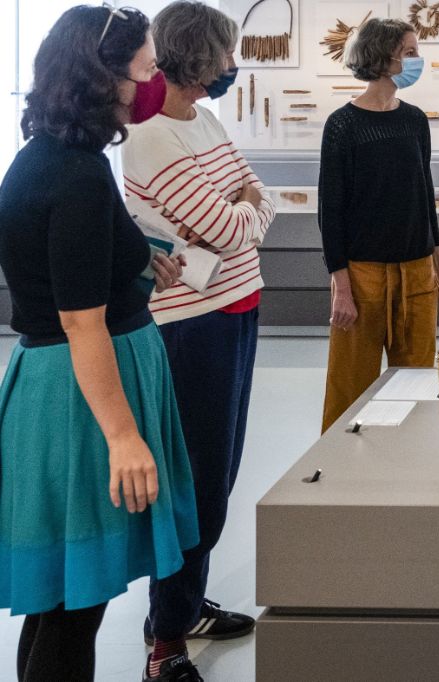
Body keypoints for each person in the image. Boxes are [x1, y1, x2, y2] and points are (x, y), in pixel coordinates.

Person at [0, 6, 199, 681]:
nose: (152, 83)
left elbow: (75, 263)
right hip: (81, 401)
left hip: (62, 382)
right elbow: (81, 321)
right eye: (145, 70)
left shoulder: (56, 158)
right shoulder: (76, 177)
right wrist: (123, 437)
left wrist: (138, 256)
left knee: (59, 604)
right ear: (101, 75)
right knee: (72, 608)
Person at [121, 1, 275, 679]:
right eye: (226, 53)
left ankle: (185, 607)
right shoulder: (151, 136)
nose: (231, 65)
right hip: (193, 327)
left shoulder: (206, 121)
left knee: (219, 473)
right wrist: (244, 207)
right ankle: (166, 640)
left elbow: (253, 197)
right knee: (196, 483)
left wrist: (245, 206)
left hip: (237, 307)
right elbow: (238, 224)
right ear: (200, 56)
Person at [319, 18, 439, 432]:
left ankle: (407, 466)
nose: (417, 60)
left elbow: (424, 197)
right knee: (350, 385)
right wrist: (341, 288)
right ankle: (338, 468)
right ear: (384, 57)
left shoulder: (414, 120)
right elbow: (331, 212)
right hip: (362, 276)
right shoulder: (342, 125)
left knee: (414, 383)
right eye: (410, 52)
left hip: (417, 273)